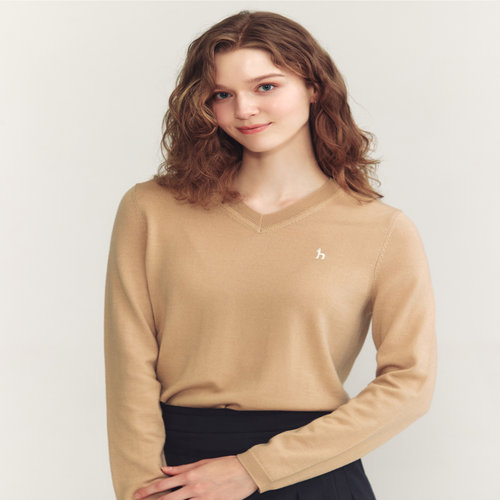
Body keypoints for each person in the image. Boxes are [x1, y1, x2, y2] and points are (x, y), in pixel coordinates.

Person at [104, 9, 437, 500]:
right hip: (178, 475)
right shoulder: (151, 209)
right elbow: (129, 364)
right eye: (222, 94)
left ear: (313, 87)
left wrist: (254, 469)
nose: (244, 109)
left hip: (314, 472)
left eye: (266, 87)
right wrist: (143, 488)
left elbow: (410, 384)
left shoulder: (381, 229)